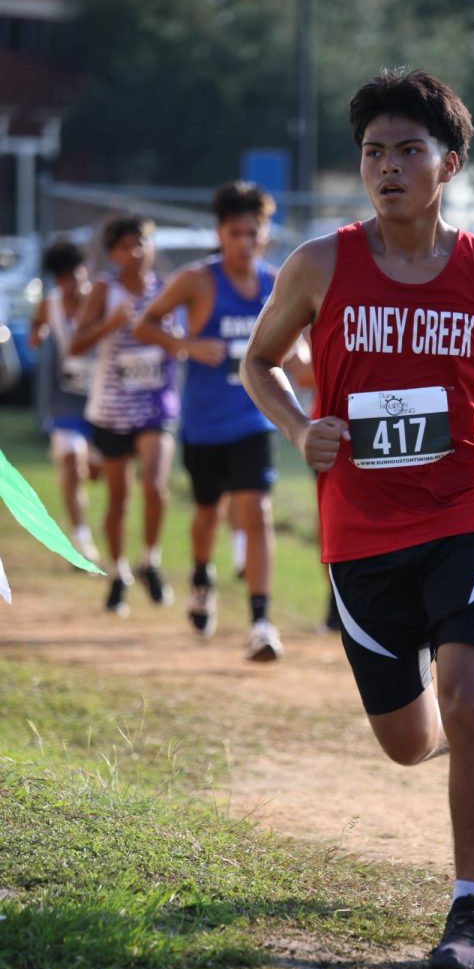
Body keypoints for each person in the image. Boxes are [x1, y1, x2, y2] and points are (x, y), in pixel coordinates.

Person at [241, 68, 474, 969]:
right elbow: (260, 362)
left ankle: (470, 910)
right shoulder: (319, 264)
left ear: (450, 162)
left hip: (464, 515)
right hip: (359, 535)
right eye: (372, 152)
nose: (386, 166)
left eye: (406, 150)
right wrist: (298, 426)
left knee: (467, 693)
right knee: (409, 743)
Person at [134, 181, 306, 662]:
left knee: (257, 512)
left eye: (254, 232)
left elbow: (299, 344)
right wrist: (186, 346)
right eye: (236, 233)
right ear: (220, 234)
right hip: (204, 426)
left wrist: (302, 358)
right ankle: (202, 576)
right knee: (208, 513)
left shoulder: (277, 284)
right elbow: (146, 323)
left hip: (254, 419)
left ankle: (260, 621)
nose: (246, 242)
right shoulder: (197, 280)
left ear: (265, 235)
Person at [70, 216, 178, 616]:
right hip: (112, 410)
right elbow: (76, 345)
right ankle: (118, 574)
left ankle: (149, 559)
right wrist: (110, 325)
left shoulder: (166, 288)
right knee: (119, 498)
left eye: (143, 244)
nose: (136, 253)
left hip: (156, 406)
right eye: (126, 247)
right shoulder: (104, 289)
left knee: (154, 485)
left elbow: (180, 341)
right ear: (112, 252)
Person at [27, 239, 100, 563]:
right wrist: (36, 337)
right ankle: (82, 540)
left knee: (97, 471)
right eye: (62, 278)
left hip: (102, 401)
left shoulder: (100, 300)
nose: (69, 284)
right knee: (71, 463)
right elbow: (35, 329)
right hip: (64, 400)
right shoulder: (50, 304)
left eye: (73, 275)